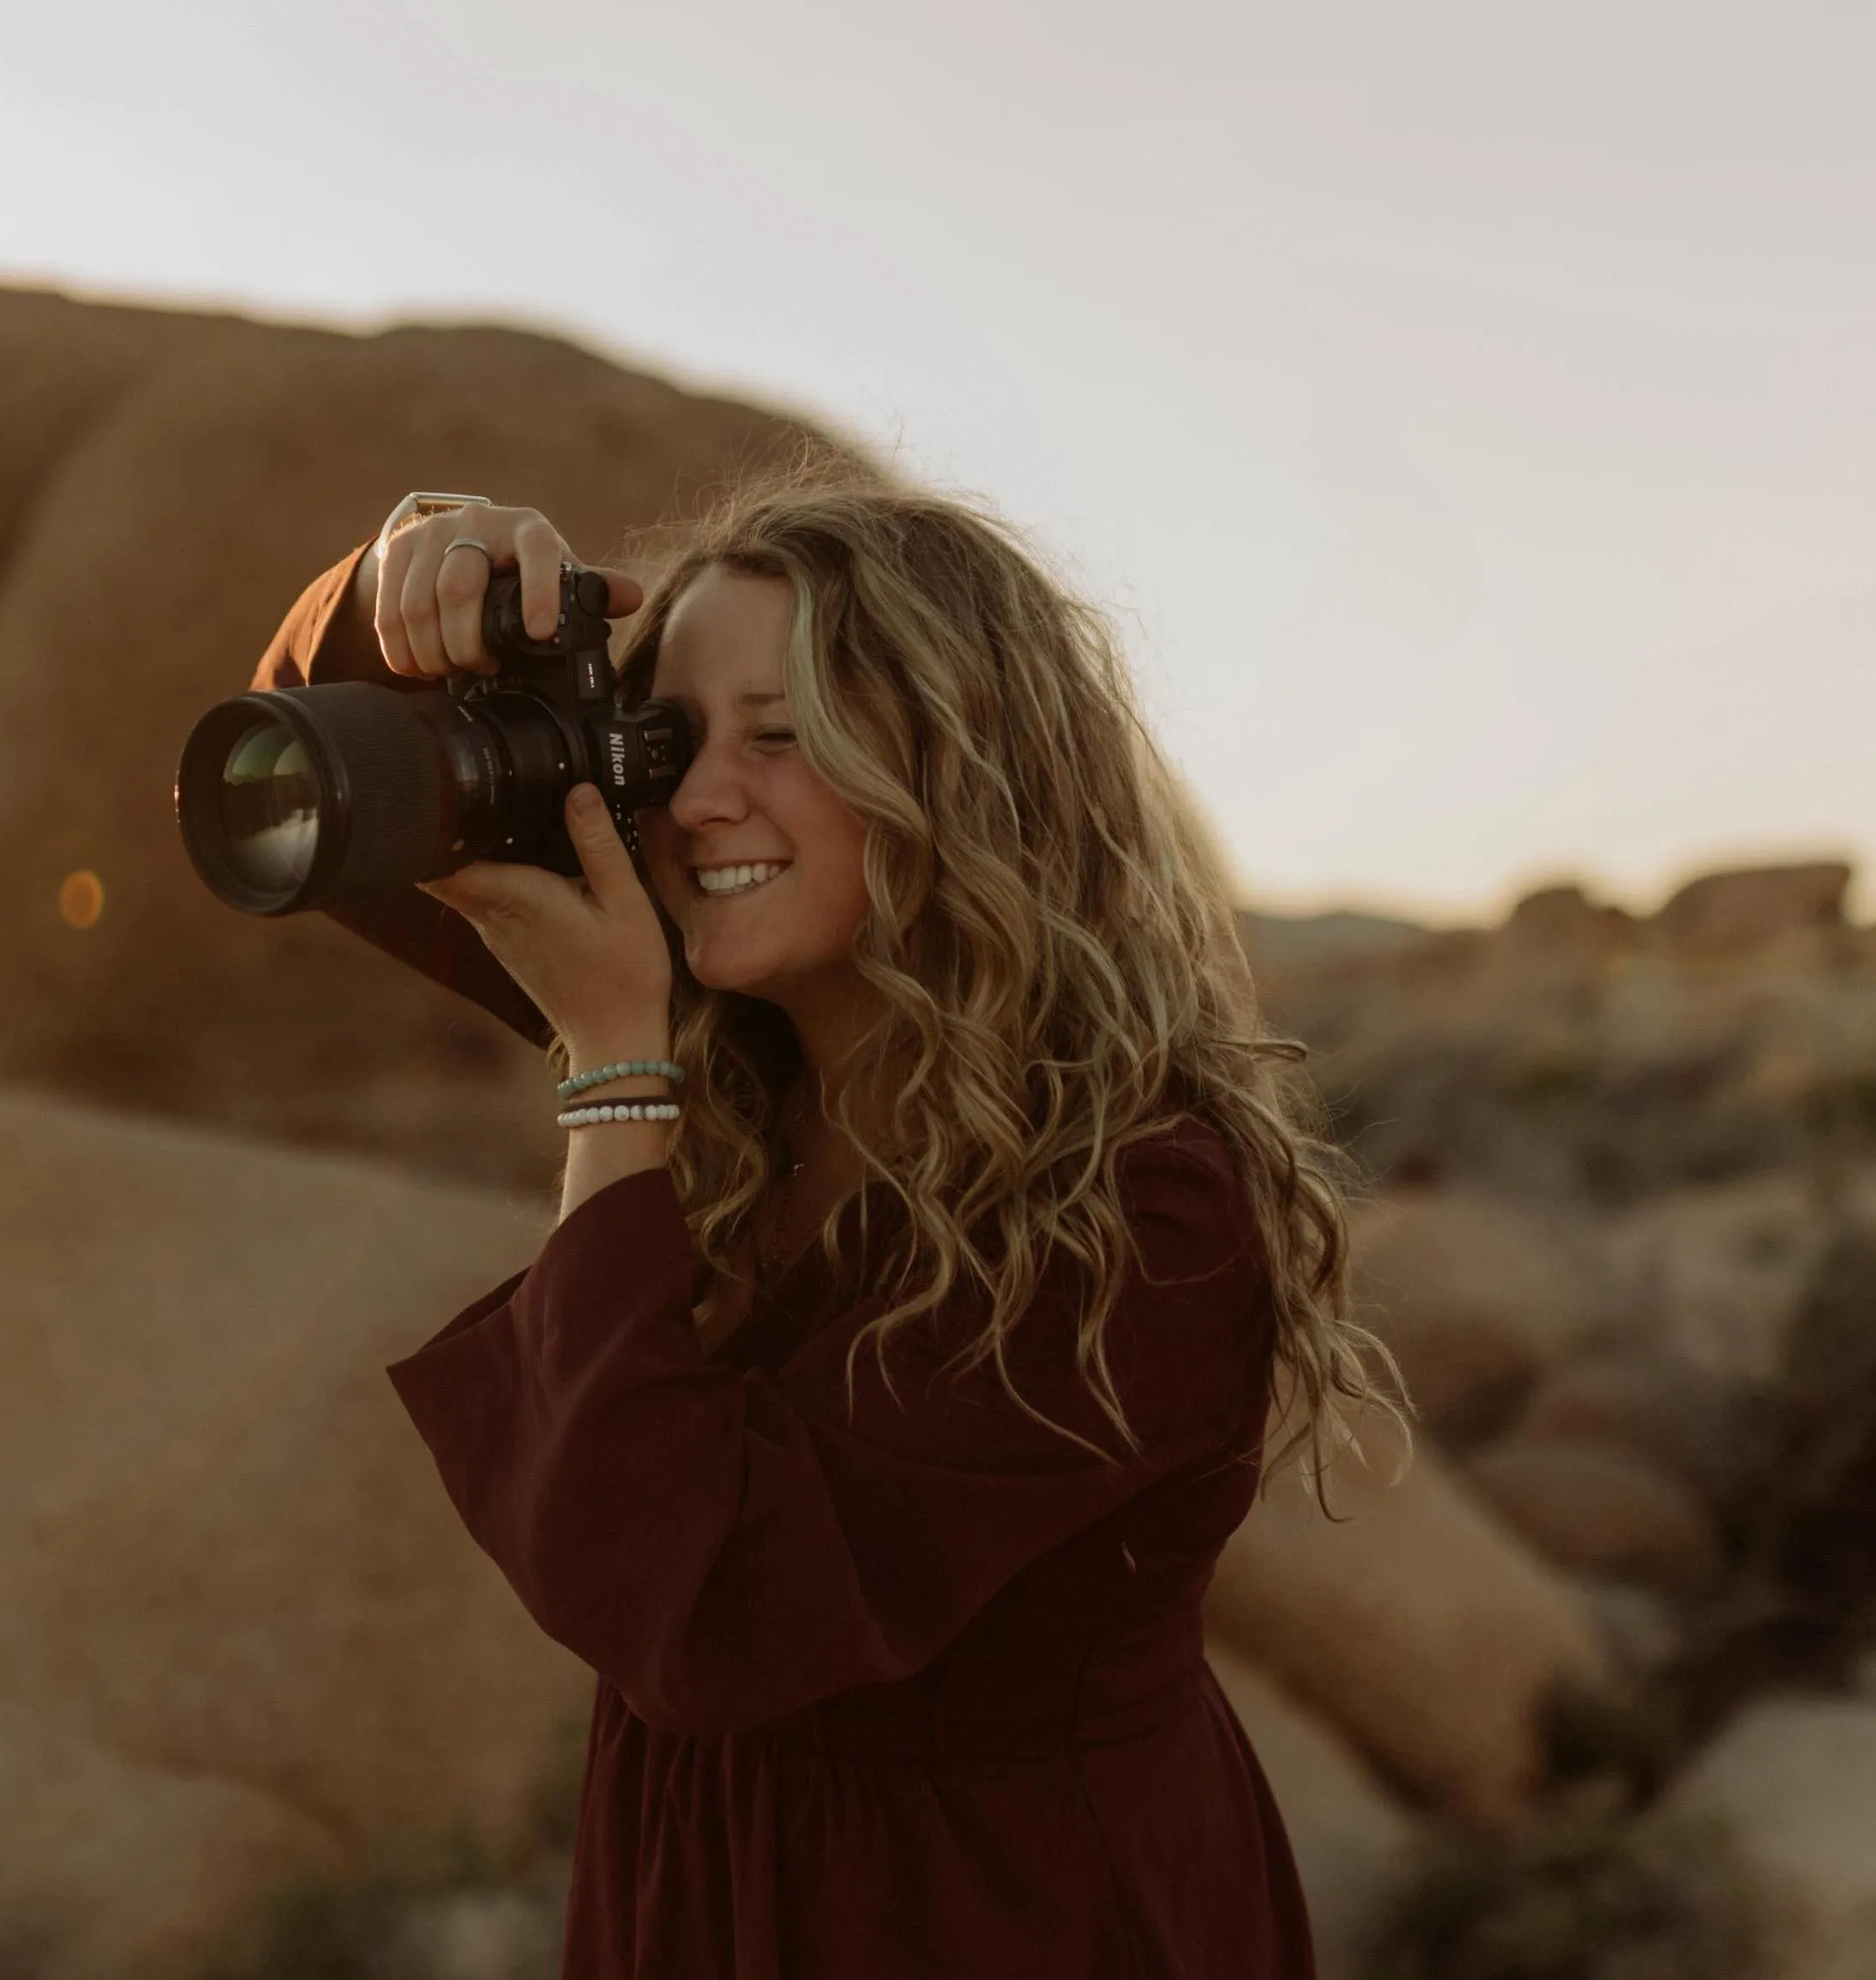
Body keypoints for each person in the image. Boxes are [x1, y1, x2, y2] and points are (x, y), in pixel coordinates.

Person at [245, 460, 1406, 1978]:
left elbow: (687, 1598)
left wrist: (612, 1075)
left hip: (1003, 1914)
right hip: (698, 1889)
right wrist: (412, 574)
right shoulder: (730, 1048)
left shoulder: (1146, 1205)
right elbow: (329, 791)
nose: (702, 798)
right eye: (674, 738)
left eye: (786, 740)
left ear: (964, 780)